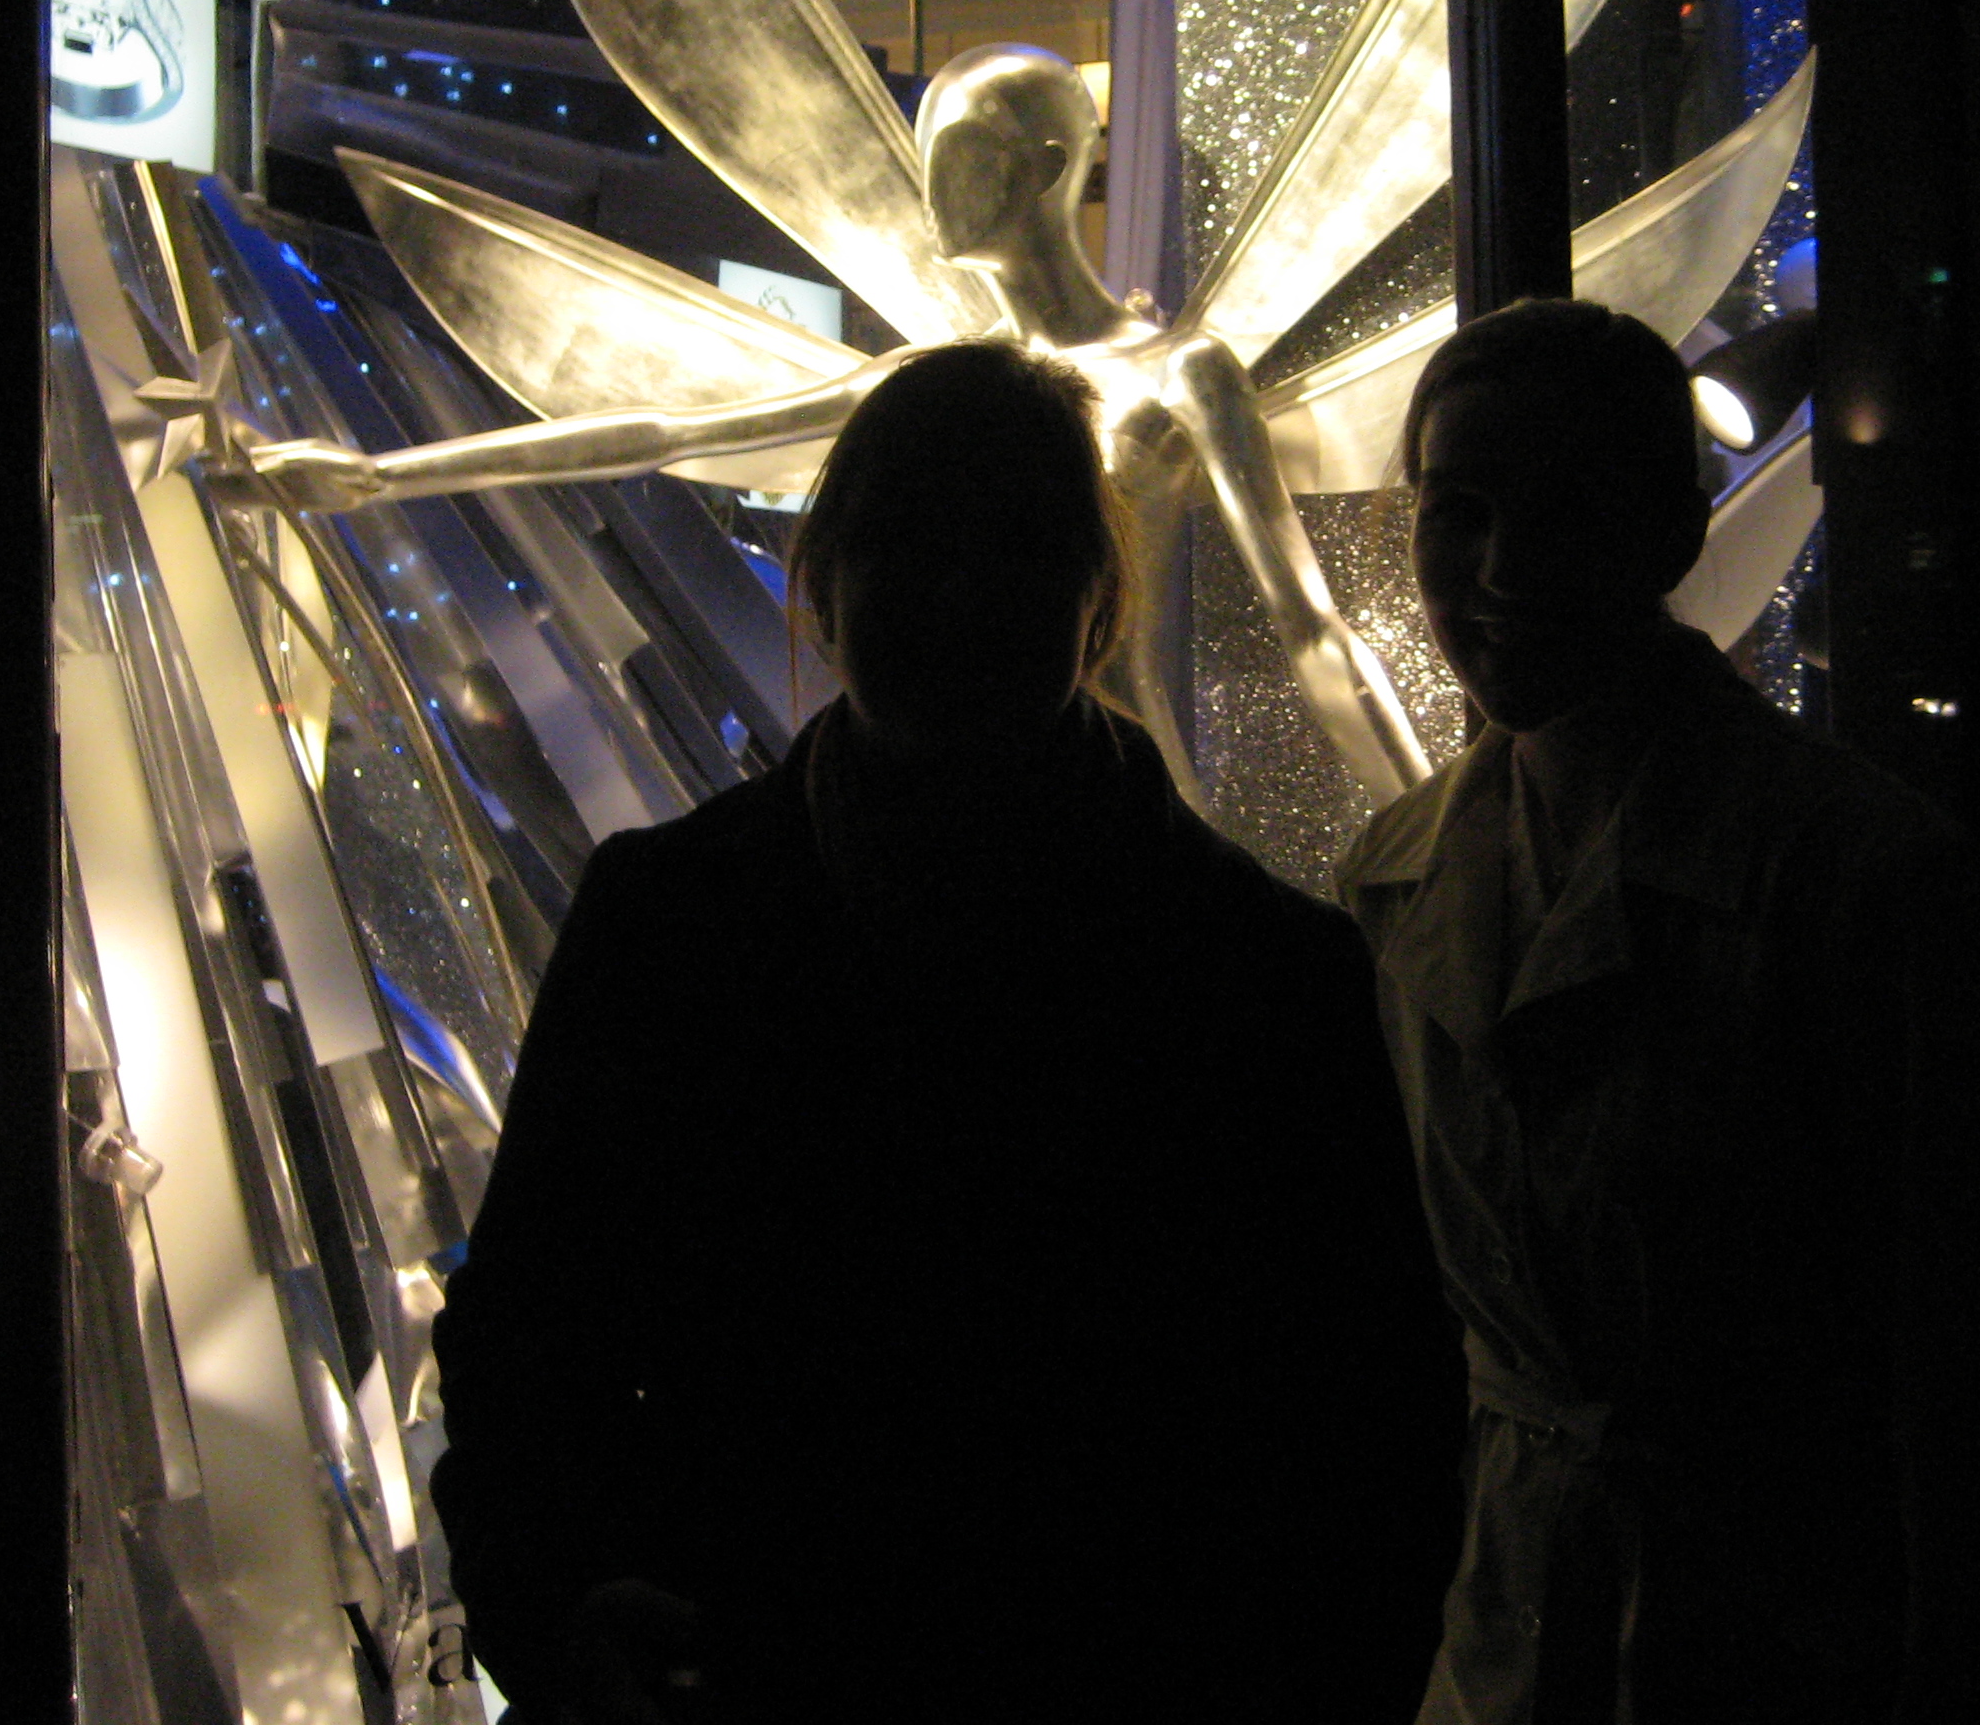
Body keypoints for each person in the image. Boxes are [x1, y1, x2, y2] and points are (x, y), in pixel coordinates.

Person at [430, 337, 1462, 1724]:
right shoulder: (1258, 969)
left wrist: (556, 1609)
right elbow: (1375, 1429)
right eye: (916, 543)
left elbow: (529, 1326)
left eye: (1011, 549)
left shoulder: (678, 920)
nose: (961, 595)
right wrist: (550, 1607)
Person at [1338, 298, 1980, 1721]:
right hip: (1498, 1624)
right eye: (1457, 510)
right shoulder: (1390, 876)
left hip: (1782, 1630)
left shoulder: (1865, 882)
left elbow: (1972, 1360)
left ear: (1667, 532)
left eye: (1561, 508)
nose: (1499, 568)